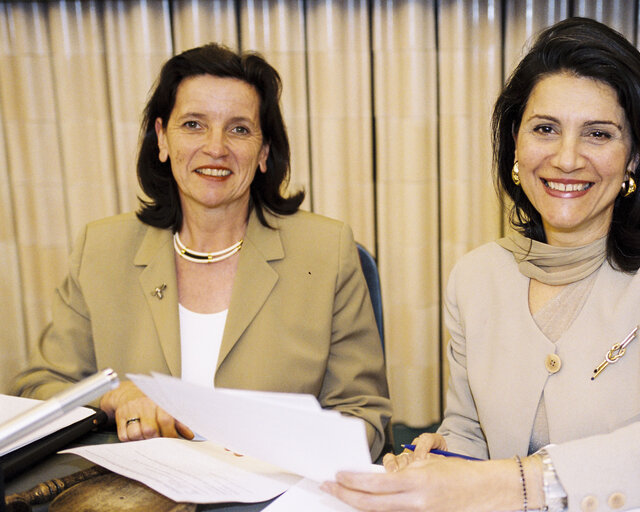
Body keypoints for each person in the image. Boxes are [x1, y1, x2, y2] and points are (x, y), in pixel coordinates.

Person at [322, 17, 640, 511]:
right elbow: (469, 430)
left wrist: (518, 483)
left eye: (598, 134)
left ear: (633, 158)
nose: (566, 159)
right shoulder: (475, 277)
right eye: (545, 129)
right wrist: (441, 456)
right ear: (516, 150)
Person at [13, 43, 391, 460]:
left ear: (264, 152)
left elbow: (364, 417)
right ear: (162, 138)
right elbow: (37, 389)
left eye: (239, 129)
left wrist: (282, 449)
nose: (216, 147)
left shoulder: (326, 251)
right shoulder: (100, 249)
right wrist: (115, 398)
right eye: (194, 124)